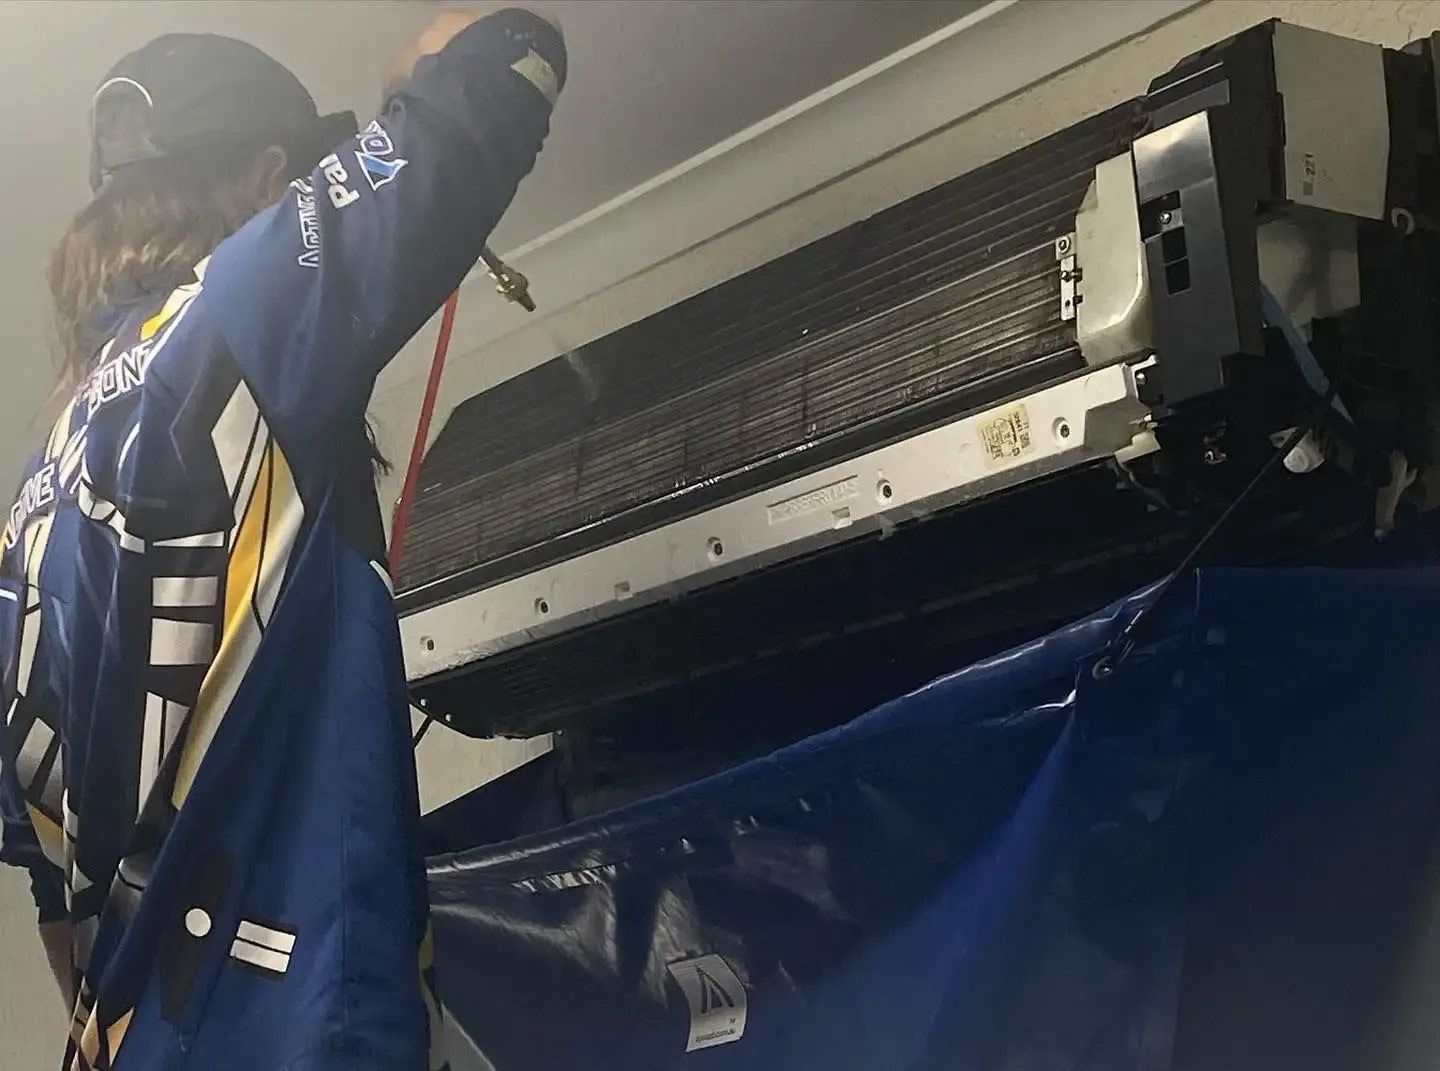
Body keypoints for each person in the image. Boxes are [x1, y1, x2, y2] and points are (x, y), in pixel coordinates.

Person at [0, 7, 566, 1069]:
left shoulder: (24, 524)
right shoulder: (237, 312)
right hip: (307, 1033)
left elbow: (53, 899)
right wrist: (425, 59)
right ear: (268, 183)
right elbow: (508, 54)